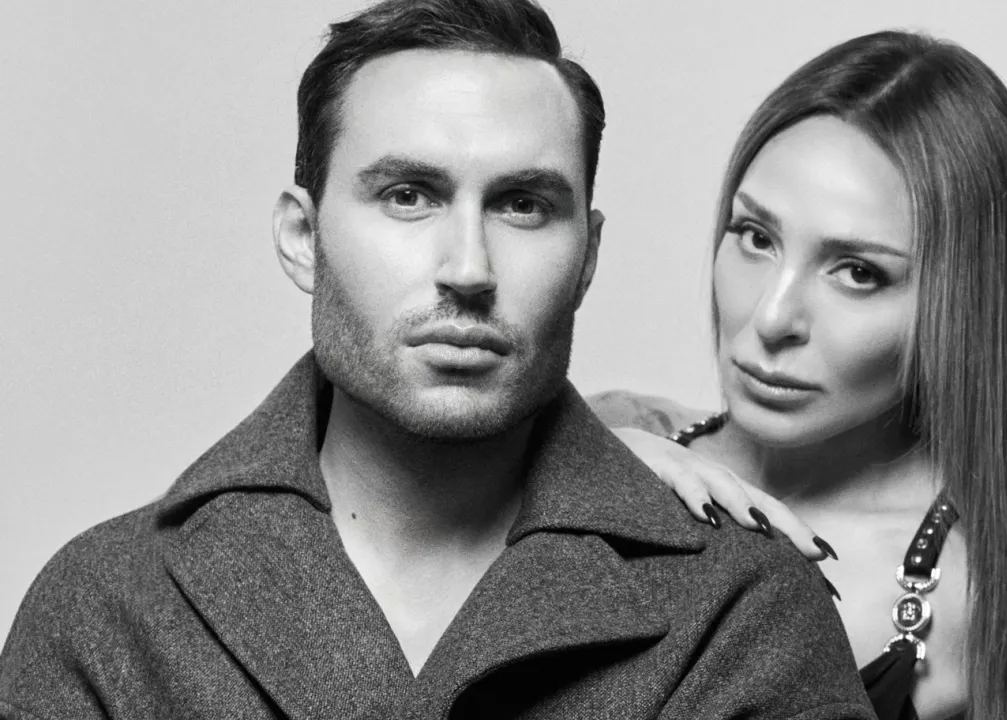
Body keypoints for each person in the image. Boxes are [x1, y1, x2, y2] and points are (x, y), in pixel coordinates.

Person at [0, 2, 876, 718]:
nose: (468, 268)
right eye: (408, 195)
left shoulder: (747, 612)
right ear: (303, 238)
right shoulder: (108, 608)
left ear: (588, 257)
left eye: (522, 205)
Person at [591, 31, 1007, 720]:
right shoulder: (612, 437)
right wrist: (584, 471)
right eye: (756, 237)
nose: (772, 317)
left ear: (968, 306)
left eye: (858, 273)